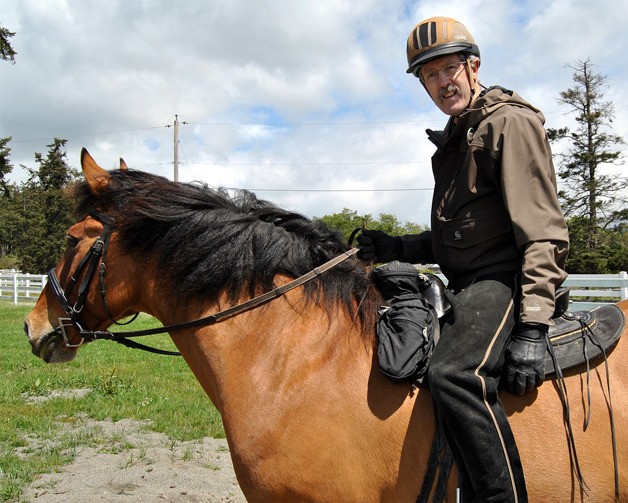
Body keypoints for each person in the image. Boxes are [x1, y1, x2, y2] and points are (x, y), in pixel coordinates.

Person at [357, 16, 569, 502]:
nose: (441, 82)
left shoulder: (508, 124)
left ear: (473, 66)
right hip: (467, 279)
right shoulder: (458, 136)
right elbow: (459, 235)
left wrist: (533, 324)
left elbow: (543, 234)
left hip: (505, 279)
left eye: (449, 69)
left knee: (453, 373)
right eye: (429, 75)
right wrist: (397, 248)